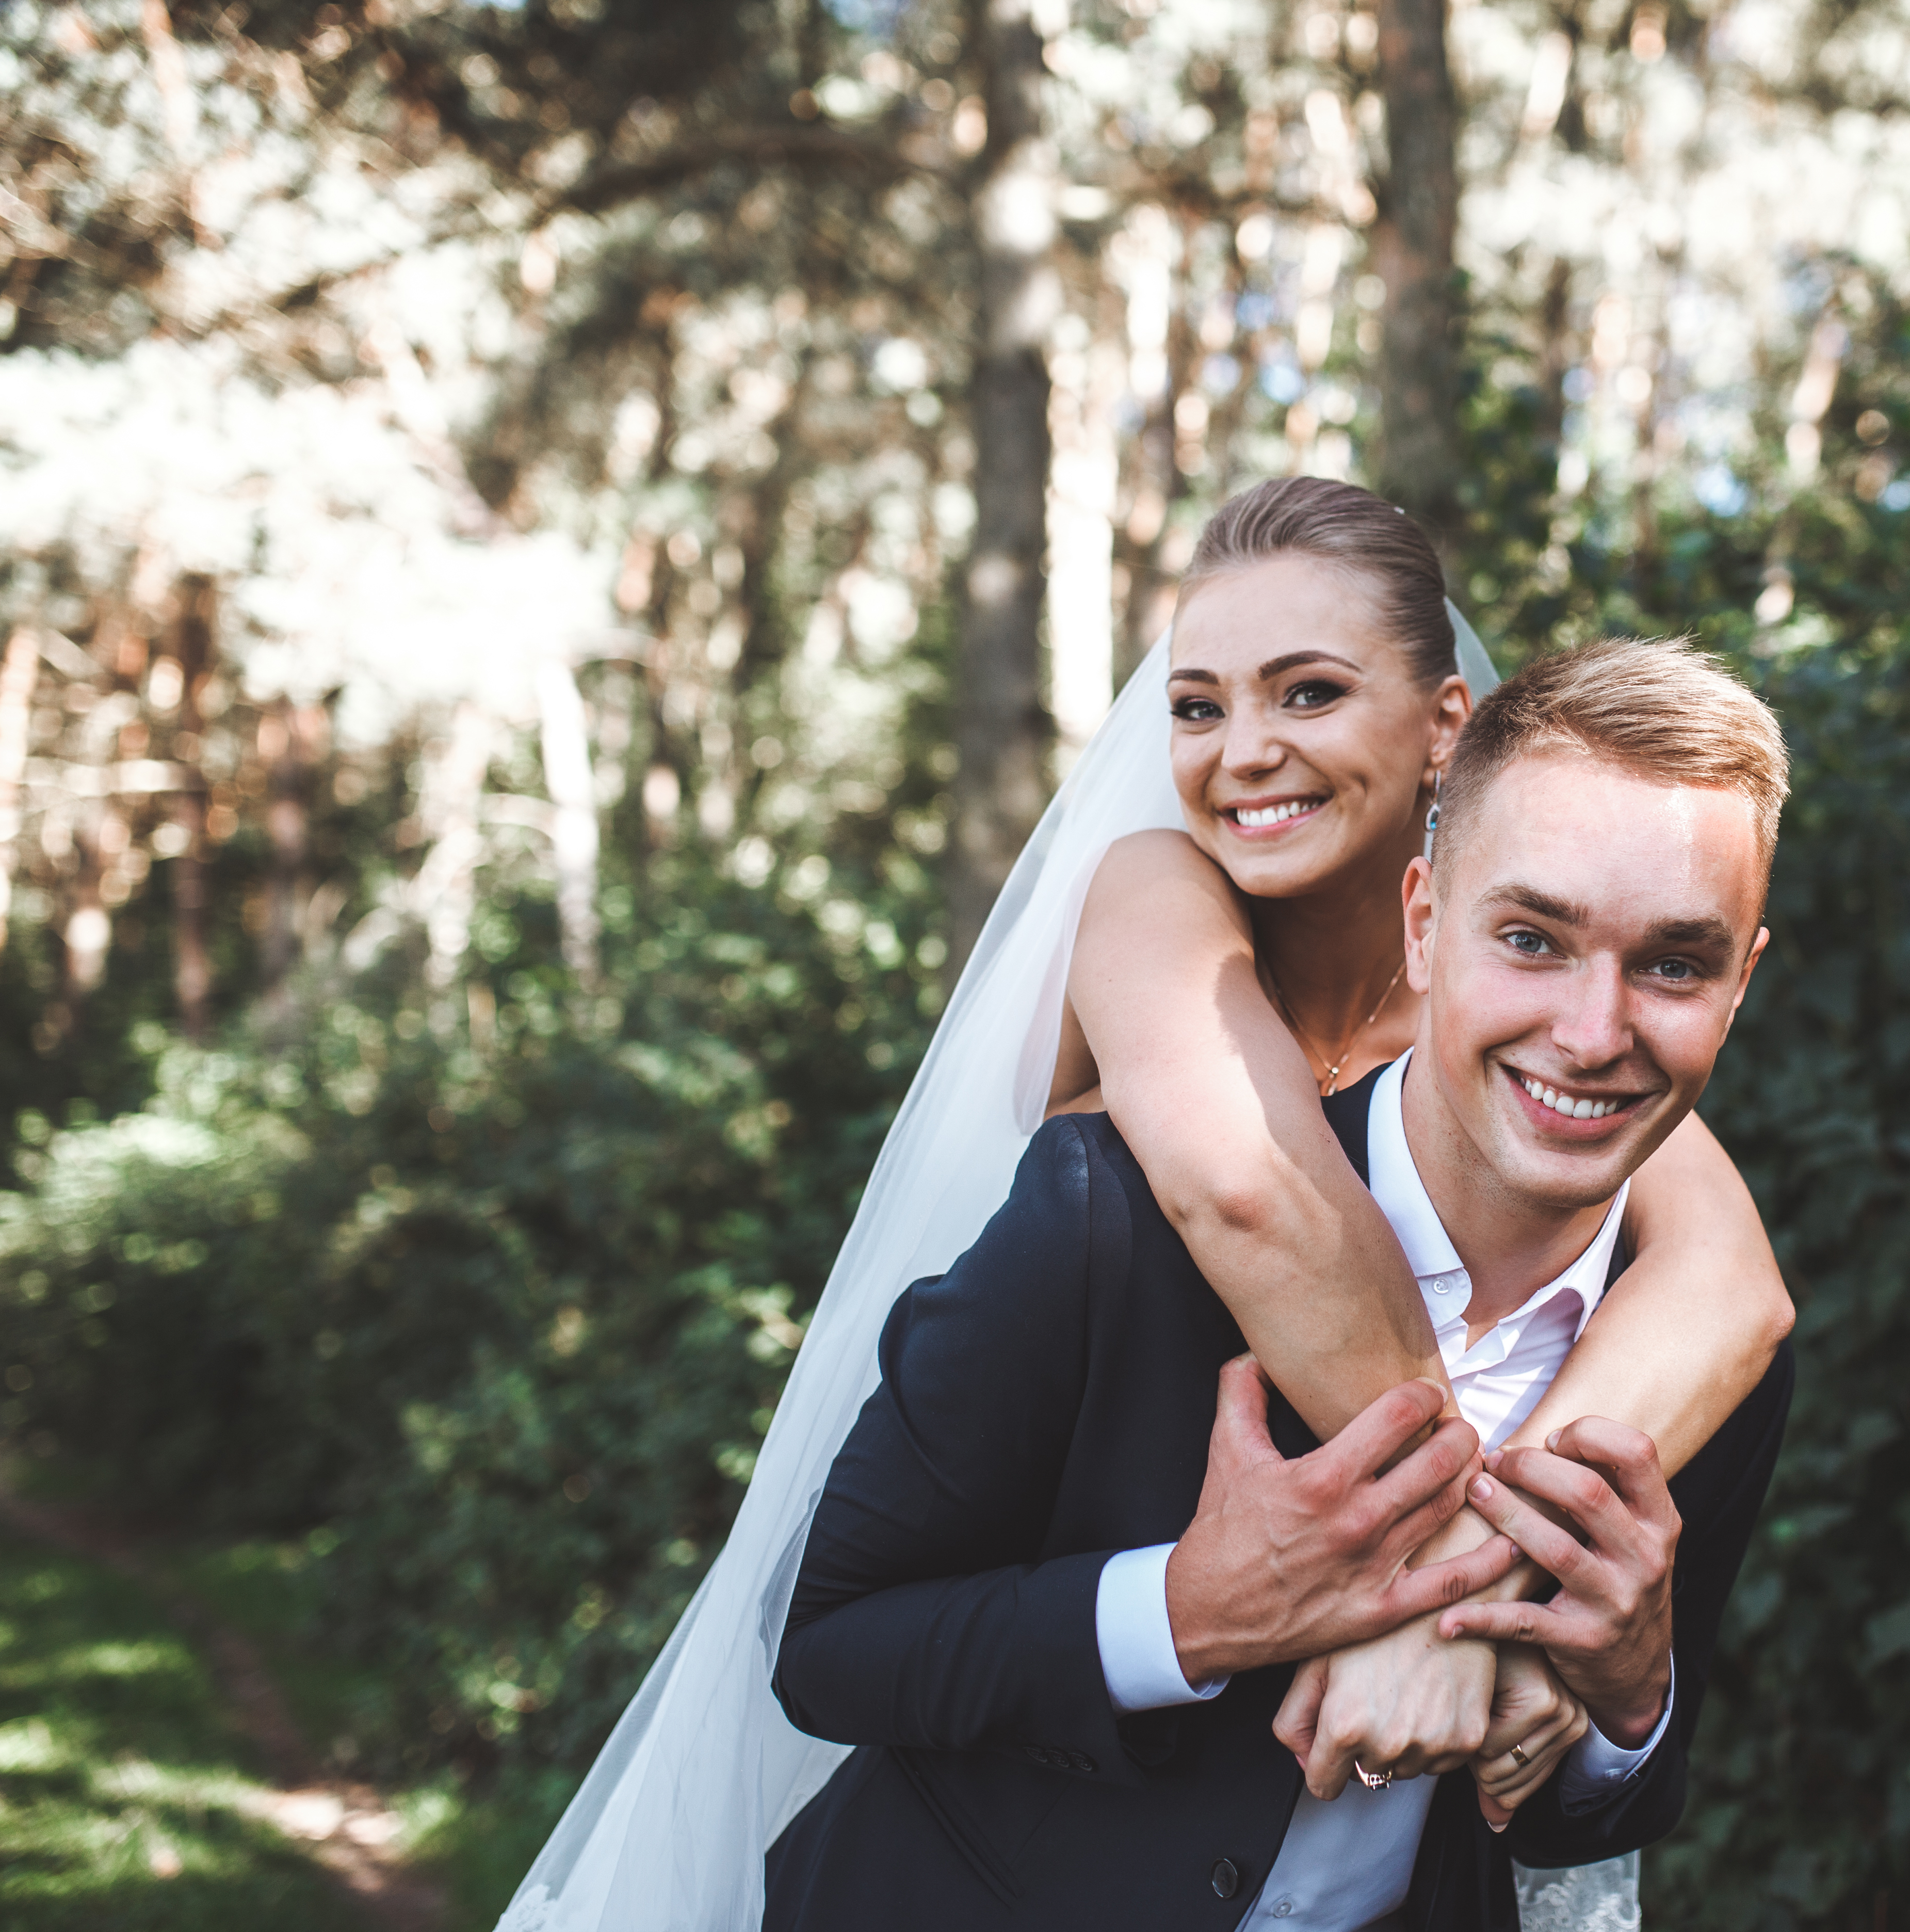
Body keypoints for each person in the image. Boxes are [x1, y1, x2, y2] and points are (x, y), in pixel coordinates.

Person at [496, 484, 1789, 1932]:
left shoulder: (1593, 1124)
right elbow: (1241, 1192)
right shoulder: (1153, 994)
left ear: (1444, 724)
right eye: (1197, 706)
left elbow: (1730, 1281)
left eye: (1309, 690)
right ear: (1437, 919)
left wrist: (1617, 1689)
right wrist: (1273, 1600)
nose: (1245, 752)